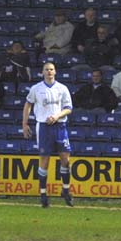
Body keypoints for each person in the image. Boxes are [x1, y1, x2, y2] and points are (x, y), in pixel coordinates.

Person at [23, 62, 74, 208]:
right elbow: (28, 105)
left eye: (51, 69)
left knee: (65, 159)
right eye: (46, 69)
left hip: (60, 126)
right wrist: (25, 124)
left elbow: (68, 108)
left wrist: (57, 116)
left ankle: (65, 190)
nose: (49, 72)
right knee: (44, 161)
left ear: (55, 72)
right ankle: (43, 194)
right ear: (42, 72)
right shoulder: (36, 88)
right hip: (44, 127)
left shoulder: (62, 88)